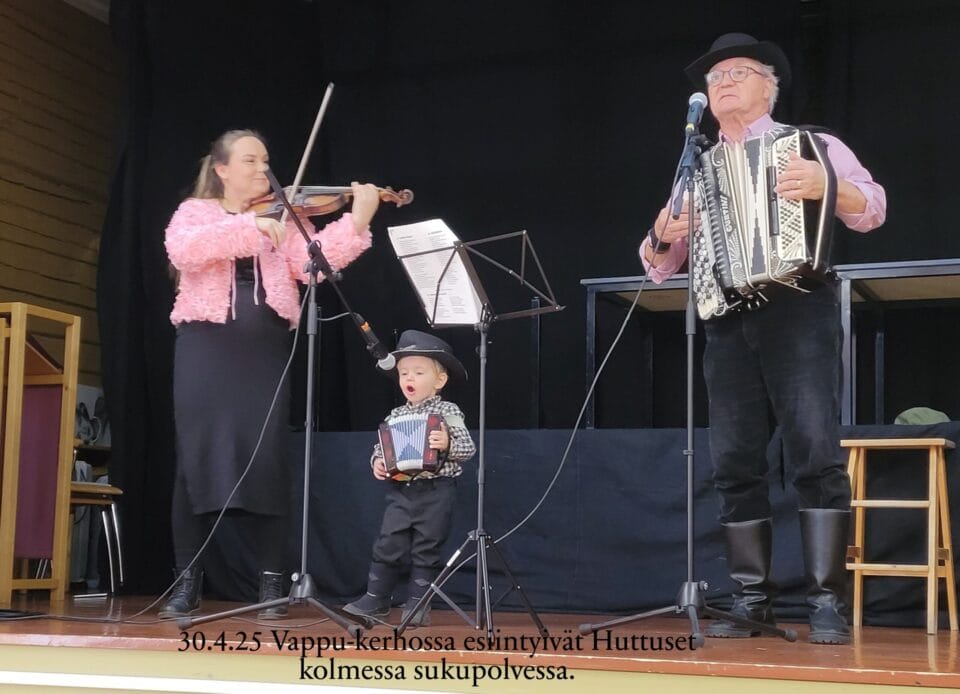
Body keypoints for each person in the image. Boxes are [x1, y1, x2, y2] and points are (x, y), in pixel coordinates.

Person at [640, 34, 886, 645]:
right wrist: (662, 231)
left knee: (814, 450)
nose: (722, 82)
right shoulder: (695, 166)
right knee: (733, 461)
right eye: (715, 77)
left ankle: (826, 601)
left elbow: (873, 209)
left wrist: (827, 184)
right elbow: (658, 265)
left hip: (798, 309)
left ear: (768, 86)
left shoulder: (813, 144)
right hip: (725, 320)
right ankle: (752, 599)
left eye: (738, 72)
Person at [159, 129, 380, 618]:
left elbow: (314, 267)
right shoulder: (195, 212)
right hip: (205, 348)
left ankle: (272, 585)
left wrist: (357, 220)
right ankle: (185, 583)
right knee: (194, 460)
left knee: (268, 461)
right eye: (250, 160)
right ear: (222, 169)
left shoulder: (285, 216)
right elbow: (184, 251)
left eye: (265, 160)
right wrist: (252, 227)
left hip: (264, 351)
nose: (264, 169)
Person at [344, 330, 476, 626]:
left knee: (426, 547)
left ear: (439, 381)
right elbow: (382, 448)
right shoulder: (395, 416)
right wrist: (378, 462)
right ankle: (376, 598)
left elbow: (468, 449)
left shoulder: (448, 411)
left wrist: (448, 444)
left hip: (437, 489)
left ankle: (418, 604)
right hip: (402, 489)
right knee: (388, 543)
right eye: (404, 373)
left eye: (418, 372)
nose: (409, 379)